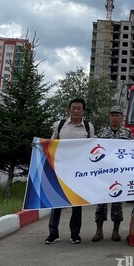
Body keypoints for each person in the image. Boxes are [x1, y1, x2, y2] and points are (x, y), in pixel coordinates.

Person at [45, 98, 94, 244]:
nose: (76, 110)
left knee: (76, 202)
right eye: (74, 108)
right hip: (61, 169)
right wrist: (37, 146)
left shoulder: (88, 127)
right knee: (57, 201)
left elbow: (92, 148)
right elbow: (51, 144)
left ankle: (75, 234)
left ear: (83, 111)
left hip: (79, 171)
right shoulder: (60, 125)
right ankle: (53, 233)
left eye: (79, 108)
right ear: (69, 109)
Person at [91, 105, 133, 243]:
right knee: (101, 202)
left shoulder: (127, 134)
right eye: (112, 115)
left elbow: (133, 151)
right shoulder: (102, 133)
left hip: (120, 174)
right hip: (104, 173)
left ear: (121, 118)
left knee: (117, 203)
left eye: (117, 115)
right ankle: (99, 230)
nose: (114, 118)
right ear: (110, 117)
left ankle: (116, 231)